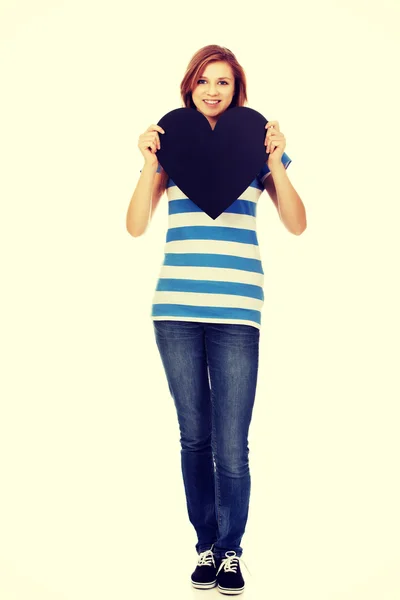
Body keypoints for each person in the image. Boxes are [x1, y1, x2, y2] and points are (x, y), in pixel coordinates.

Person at [126, 44, 306, 596]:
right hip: (175, 311)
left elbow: (297, 224)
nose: (213, 90)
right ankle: (205, 546)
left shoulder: (254, 146)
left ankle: (232, 553)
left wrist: (276, 159)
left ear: (237, 90)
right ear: (190, 86)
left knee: (232, 443)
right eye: (205, 80)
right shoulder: (172, 147)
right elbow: (135, 226)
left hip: (236, 312)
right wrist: (148, 162)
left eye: (224, 82)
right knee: (194, 437)